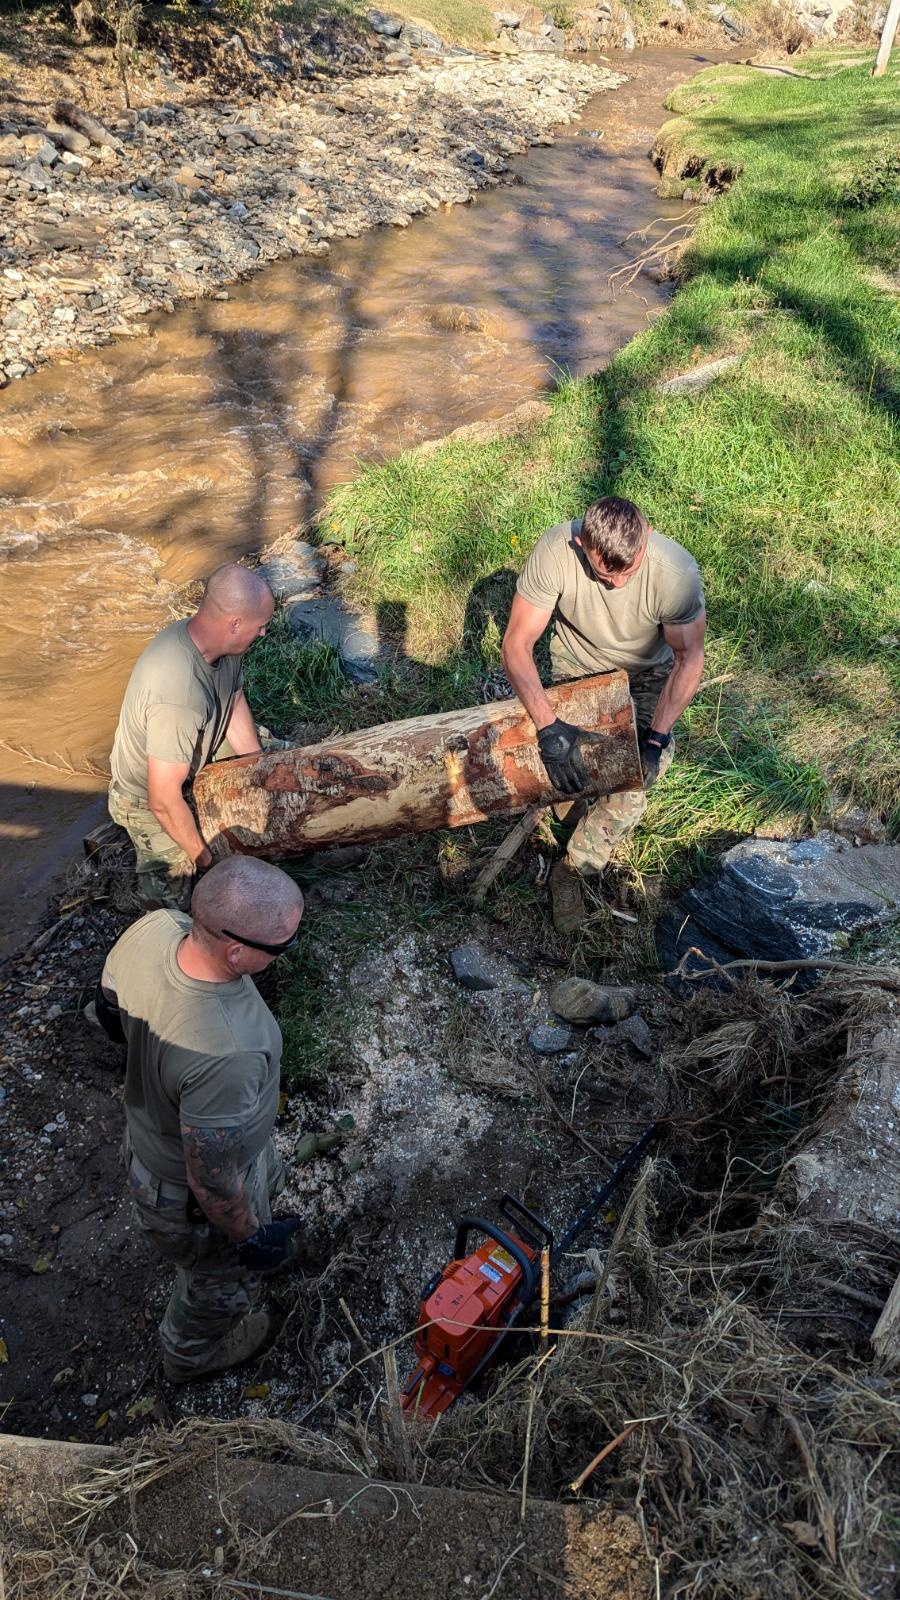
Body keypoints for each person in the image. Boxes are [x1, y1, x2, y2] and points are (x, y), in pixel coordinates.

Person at [98, 856, 305, 1383]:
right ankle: (191, 1355)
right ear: (236, 951)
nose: (284, 954)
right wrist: (248, 1238)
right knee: (219, 1275)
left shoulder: (156, 927)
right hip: (186, 1195)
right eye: (280, 947)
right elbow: (211, 1181)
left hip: (150, 1136)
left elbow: (106, 1001)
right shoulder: (226, 1049)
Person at [501, 495, 706, 932]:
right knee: (568, 758)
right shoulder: (556, 550)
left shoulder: (676, 574)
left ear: (646, 536)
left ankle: (574, 868)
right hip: (578, 672)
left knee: (632, 785)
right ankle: (574, 801)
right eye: (602, 573)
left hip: (646, 678)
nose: (614, 585)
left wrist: (656, 738)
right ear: (582, 542)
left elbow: (689, 659)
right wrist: (548, 727)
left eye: (626, 572)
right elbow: (516, 645)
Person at [108, 564, 275, 909]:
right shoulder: (178, 692)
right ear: (234, 624)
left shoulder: (217, 644)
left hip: (195, 750)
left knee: (282, 768)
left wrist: (256, 766)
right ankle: (144, 882)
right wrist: (206, 863)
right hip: (145, 799)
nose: (262, 634)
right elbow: (163, 800)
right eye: (260, 627)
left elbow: (234, 697)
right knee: (179, 897)